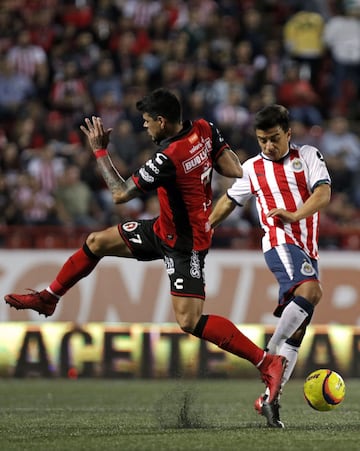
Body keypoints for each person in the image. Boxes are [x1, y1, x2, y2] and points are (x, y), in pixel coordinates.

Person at [4, 88, 286, 420]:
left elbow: (120, 194)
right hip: (163, 229)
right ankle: (49, 297)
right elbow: (234, 168)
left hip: (186, 243)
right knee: (96, 242)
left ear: (162, 121)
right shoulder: (205, 129)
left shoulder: (168, 157)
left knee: (189, 320)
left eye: (147, 122)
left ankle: (266, 361)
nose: (145, 127)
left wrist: (99, 152)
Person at [209, 104, 331, 428]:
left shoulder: (307, 156)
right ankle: (271, 351)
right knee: (311, 291)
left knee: (299, 329)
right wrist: (206, 226)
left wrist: (295, 214)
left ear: (288, 133)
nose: (267, 146)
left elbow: (323, 194)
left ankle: (270, 400)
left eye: (274, 138)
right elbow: (229, 200)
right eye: (262, 140)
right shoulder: (251, 169)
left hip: (307, 249)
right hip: (278, 243)